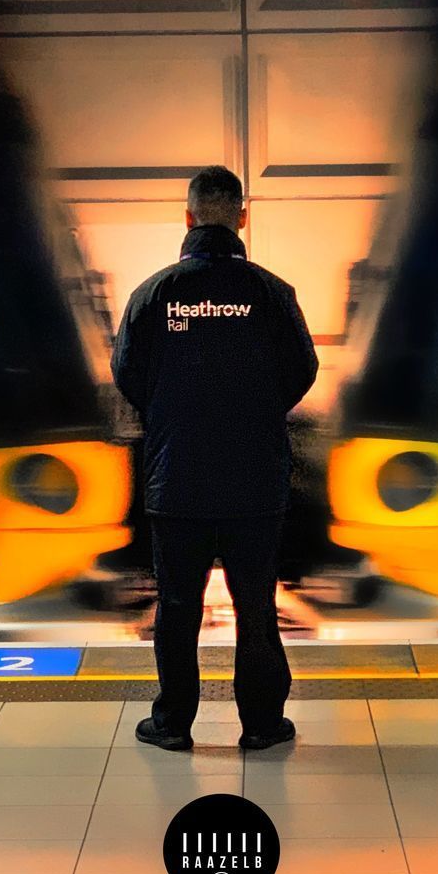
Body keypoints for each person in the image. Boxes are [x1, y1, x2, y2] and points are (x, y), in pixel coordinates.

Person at [111, 166, 318, 751]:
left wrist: (174, 415)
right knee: (257, 607)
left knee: (177, 609)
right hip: (255, 482)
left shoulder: (153, 295)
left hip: (177, 481)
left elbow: (127, 373)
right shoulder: (273, 294)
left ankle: (173, 724)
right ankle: (261, 725)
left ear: (188, 217)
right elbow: (302, 370)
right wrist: (254, 415)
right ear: (242, 216)